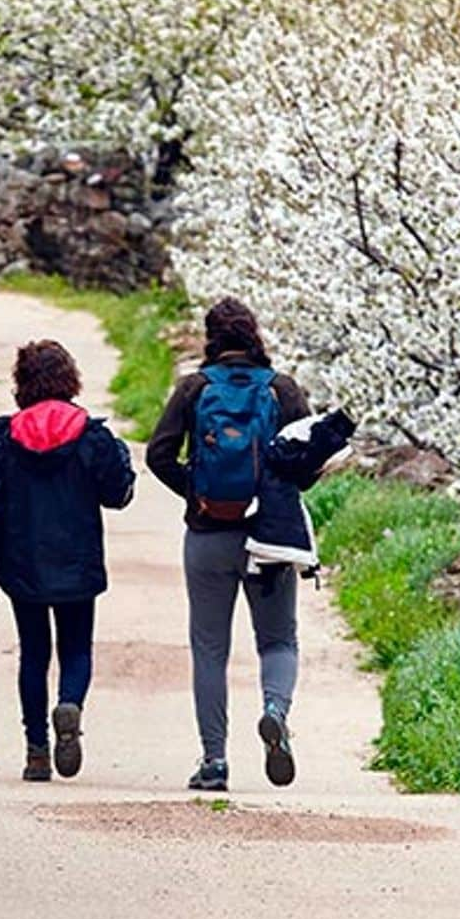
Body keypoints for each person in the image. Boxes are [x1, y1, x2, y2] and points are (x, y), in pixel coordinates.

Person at [147, 298, 311, 792]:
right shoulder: (282, 389)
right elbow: (310, 458)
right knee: (278, 640)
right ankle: (274, 711)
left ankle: (214, 761)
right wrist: (278, 499)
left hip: (207, 535)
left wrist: (196, 492)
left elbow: (158, 455)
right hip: (268, 540)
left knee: (210, 650)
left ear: (210, 337)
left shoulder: (194, 389)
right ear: (255, 334)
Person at [0, 340, 136, 782]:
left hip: (21, 562)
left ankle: (36, 752)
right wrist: (120, 456)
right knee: (76, 647)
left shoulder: (5, 438)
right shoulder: (90, 434)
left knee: (34, 653)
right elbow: (117, 495)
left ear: (21, 383)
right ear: (70, 379)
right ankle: (70, 705)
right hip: (77, 561)